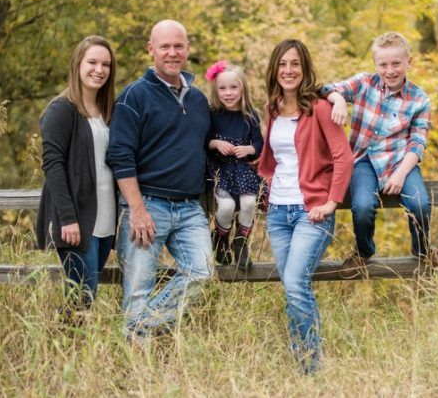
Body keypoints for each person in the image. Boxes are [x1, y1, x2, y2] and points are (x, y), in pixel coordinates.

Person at [106, 20, 213, 342]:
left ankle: (138, 327)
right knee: (137, 290)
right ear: (151, 49)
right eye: (164, 46)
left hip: (190, 208)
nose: (172, 52)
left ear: (187, 49)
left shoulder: (197, 100)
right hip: (147, 205)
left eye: (178, 46)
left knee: (203, 273)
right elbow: (120, 156)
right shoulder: (134, 96)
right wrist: (137, 210)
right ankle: (136, 368)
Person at [258, 39, 353, 374]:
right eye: (283, 64)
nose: (288, 70)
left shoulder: (322, 109)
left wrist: (331, 203)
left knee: (296, 283)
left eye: (295, 64)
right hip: (278, 213)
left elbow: (344, 157)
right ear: (274, 69)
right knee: (292, 287)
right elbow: (275, 159)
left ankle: (311, 369)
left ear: (304, 68)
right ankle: (303, 362)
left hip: (311, 211)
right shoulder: (271, 109)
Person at [322, 31, 438, 278]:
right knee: (363, 206)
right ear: (376, 65)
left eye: (396, 63)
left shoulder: (419, 99)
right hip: (363, 160)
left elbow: (418, 142)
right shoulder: (364, 84)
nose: (390, 70)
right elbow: (323, 88)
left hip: (401, 161)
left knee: (419, 204)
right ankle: (364, 252)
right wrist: (339, 100)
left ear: (409, 62)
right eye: (383, 64)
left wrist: (400, 174)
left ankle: (422, 251)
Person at [36, 35, 117, 318]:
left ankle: (69, 354)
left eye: (106, 64)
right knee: (82, 296)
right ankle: (61, 354)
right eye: (92, 62)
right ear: (78, 64)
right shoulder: (62, 110)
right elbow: (53, 166)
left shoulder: (108, 111)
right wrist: (67, 218)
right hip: (76, 221)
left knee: (86, 295)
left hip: (105, 219)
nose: (99, 69)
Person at [204, 61, 264, 270]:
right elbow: (203, 141)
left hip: (242, 170)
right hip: (220, 169)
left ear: (242, 88)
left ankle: (240, 244)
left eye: (233, 87)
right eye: (222, 88)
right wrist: (216, 143)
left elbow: (259, 143)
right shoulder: (212, 114)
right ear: (216, 90)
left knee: (248, 204)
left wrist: (249, 150)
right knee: (227, 206)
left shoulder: (250, 115)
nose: (228, 93)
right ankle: (221, 238)